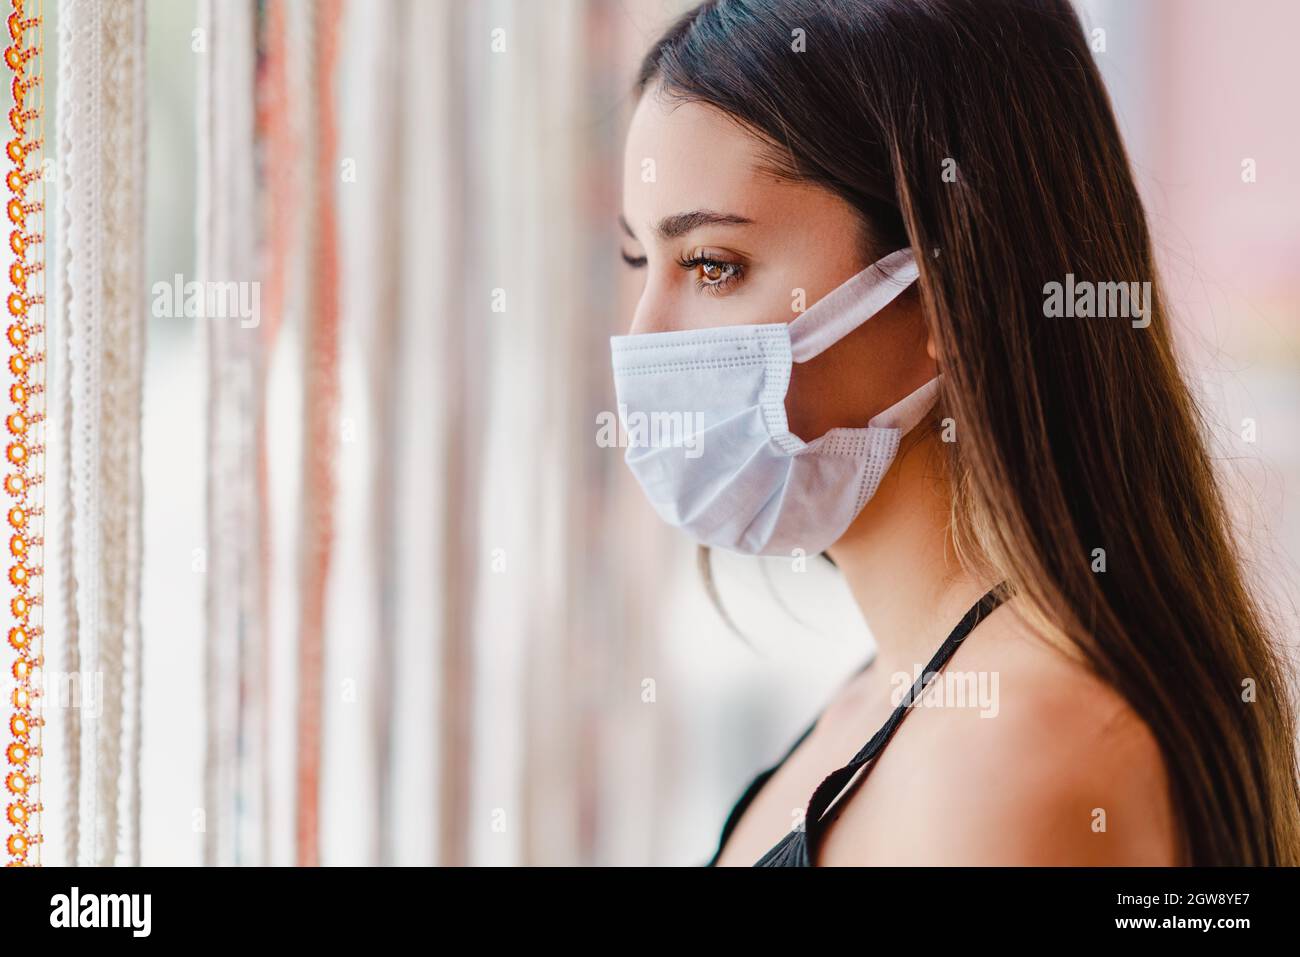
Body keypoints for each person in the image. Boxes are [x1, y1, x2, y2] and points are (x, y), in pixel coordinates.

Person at [609, 0, 1300, 866]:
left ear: (942, 287)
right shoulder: (893, 690)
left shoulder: (1014, 748)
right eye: (640, 261)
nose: (642, 344)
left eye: (714, 266)